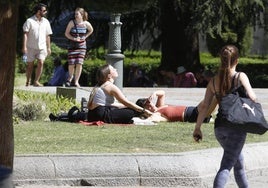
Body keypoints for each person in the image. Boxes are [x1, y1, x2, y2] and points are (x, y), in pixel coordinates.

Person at [192, 45, 257, 188]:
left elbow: (204, 107)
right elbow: (252, 97)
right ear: (237, 61)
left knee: (238, 163)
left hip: (220, 128)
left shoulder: (213, 81)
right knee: (226, 166)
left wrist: (197, 128)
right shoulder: (240, 76)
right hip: (236, 127)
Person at [87, 64, 152, 124]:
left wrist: (128, 106)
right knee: (132, 111)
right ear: (109, 76)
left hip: (92, 115)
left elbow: (112, 104)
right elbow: (126, 102)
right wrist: (144, 110)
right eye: (113, 69)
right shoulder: (110, 86)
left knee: (131, 108)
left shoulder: (101, 85)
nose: (116, 69)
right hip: (100, 115)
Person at [135, 90, 216, 123]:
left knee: (218, 96)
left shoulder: (159, 107)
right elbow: (154, 120)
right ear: (144, 109)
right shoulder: (156, 114)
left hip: (194, 110)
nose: (150, 105)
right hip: (194, 115)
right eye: (146, 105)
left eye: (149, 102)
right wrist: (145, 114)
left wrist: (154, 93)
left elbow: (162, 93)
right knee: (215, 95)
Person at [22, 3, 53, 87]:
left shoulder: (46, 22)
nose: (45, 12)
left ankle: (36, 81)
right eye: (44, 10)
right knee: (30, 65)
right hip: (31, 47)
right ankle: (28, 81)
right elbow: (25, 34)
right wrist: (24, 46)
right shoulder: (29, 21)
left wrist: (49, 47)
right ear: (39, 11)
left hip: (42, 47)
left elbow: (48, 35)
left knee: (41, 62)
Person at [65, 7, 94, 87]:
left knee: (79, 63)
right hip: (72, 46)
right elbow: (66, 34)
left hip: (82, 46)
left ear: (81, 15)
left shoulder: (86, 24)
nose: (75, 15)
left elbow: (91, 30)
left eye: (77, 14)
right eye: (75, 14)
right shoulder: (71, 23)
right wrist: (73, 38)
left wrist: (85, 36)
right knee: (71, 63)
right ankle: (70, 78)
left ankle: (76, 81)